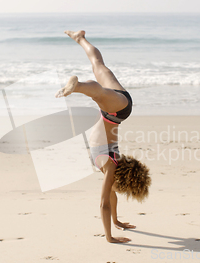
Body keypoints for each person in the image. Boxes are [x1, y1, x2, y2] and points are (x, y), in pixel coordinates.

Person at [55, 30, 151, 243]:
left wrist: (117, 221)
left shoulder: (113, 164)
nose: (115, 189)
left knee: (98, 63)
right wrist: (110, 236)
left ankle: (80, 38)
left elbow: (111, 196)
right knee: (98, 94)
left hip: (121, 106)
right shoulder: (110, 166)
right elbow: (103, 203)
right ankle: (78, 86)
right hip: (115, 111)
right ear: (121, 180)